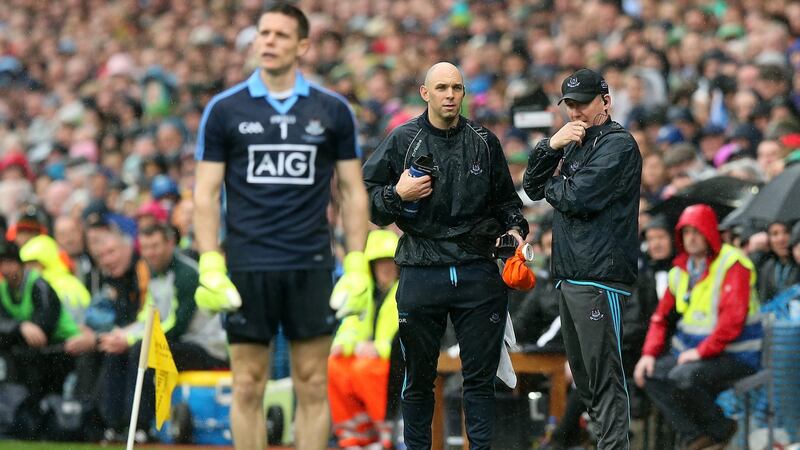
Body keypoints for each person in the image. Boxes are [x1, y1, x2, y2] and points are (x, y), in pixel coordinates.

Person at [192, 4, 368, 450]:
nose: (268, 41)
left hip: (310, 263)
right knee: (247, 383)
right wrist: (211, 260)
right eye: (263, 33)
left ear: (303, 46)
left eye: (280, 35)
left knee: (311, 382)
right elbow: (205, 193)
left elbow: (351, 189)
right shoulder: (224, 109)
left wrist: (357, 262)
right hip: (248, 265)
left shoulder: (332, 110)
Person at [362, 61, 528, 449]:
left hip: (478, 270)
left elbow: (507, 203)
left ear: (464, 92)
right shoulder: (403, 140)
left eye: (456, 87)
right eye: (441, 88)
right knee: (419, 378)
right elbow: (370, 204)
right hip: (422, 269)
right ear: (425, 93)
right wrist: (396, 196)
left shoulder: (484, 140)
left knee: (480, 380)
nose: (450, 95)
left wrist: (516, 231)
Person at [523, 68, 642, 449]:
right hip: (572, 274)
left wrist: (555, 184)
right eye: (569, 105)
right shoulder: (574, 141)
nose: (574, 112)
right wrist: (550, 146)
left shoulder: (618, 145)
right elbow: (531, 186)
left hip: (600, 275)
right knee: (587, 381)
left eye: (582, 104)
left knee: (605, 378)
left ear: (605, 101)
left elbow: (577, 197)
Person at [633, 204, 760, 450]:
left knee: (684, 377)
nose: (690, 238)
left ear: (710, 232)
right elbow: (660, 318)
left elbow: (732, 322)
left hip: (737, 353)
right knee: (649, 374)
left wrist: (700, 352)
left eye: (696, 231)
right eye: (685, 232)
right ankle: (698, 436)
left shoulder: (733, 264)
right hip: (697, 355)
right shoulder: (680, 271)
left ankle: (720, 429)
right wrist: (648, 354)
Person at [97, 224, 227, 441]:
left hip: (206, 348)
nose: (150, 252)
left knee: (143, 350)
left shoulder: (186, 274)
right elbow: (147, 319)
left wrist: (130, 340)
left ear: (170, 244)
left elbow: (177, 326)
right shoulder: (155, 276)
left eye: (155, 246)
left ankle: (140, 426)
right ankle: (113, 425)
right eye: (146, 247)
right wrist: (120, 335)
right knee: (116, 350)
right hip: (178, 343)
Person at [328, 229, 402, 450]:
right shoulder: (366, 293)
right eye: (380, 262)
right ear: (371, 266)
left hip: (393, 360)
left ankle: (383, 434)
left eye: (390, 261)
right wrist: (342, 344)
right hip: (369, 356)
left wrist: (378, 348)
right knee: (334, 365)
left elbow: (401, 334)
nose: (386, 268)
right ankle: (352, 437)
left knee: (365, 369)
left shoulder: (404, 292)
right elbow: (350, 325)